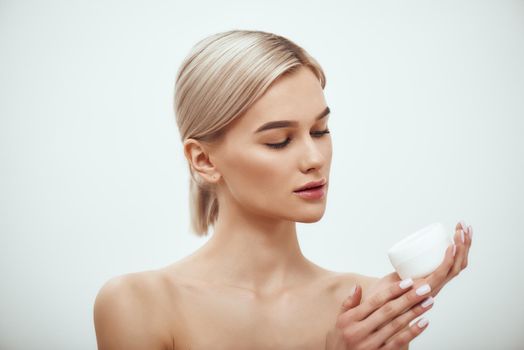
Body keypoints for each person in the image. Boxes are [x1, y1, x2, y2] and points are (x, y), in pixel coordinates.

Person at [93, 29, 473, 349]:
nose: (314, 158)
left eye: (320, 131)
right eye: (278, 141)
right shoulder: (138, 304)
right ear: (204, 160)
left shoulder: (366, 307)